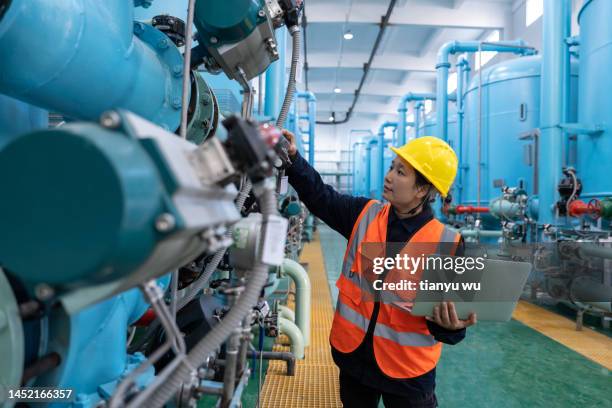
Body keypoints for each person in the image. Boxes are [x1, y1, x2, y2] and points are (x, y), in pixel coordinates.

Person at [282, 130, 477, 408]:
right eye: (391, 167)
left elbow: (450, 324)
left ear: (423, 189)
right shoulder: (365, 214)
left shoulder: (447, 243)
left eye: (401, 172)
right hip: (354, 359)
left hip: (407, 374)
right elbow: (320, 197)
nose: (389, 176)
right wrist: (293, 159)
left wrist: (451, 327)